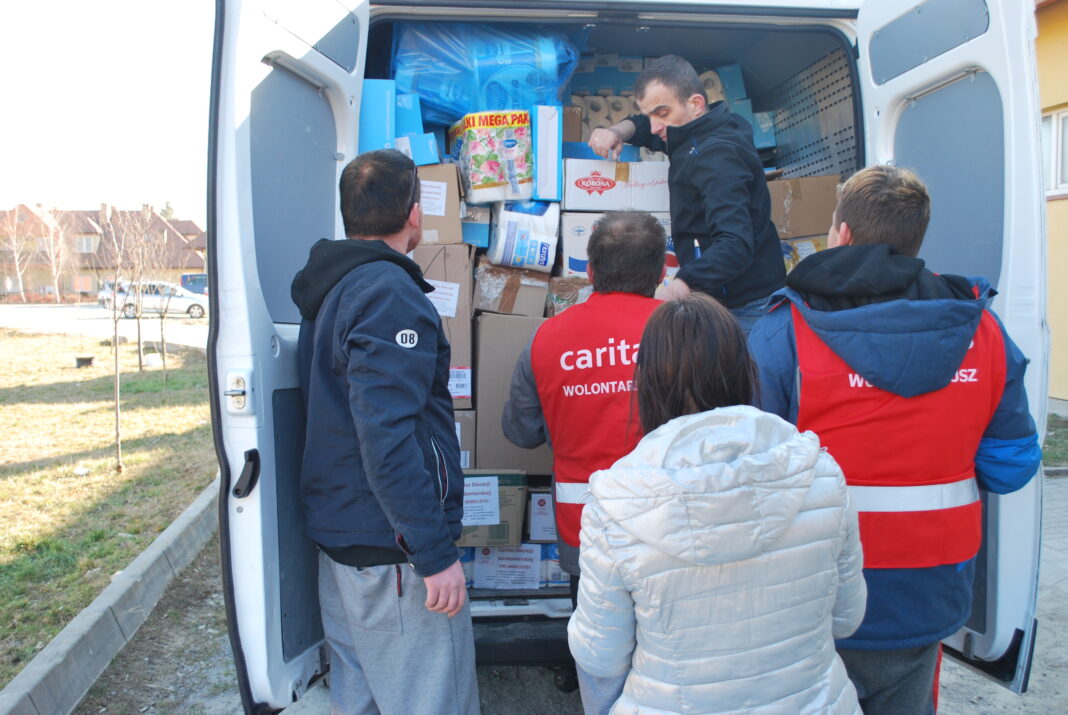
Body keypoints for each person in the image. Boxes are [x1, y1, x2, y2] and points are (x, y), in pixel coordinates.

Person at [747, 165, 1043, 714]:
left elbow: (749, 477)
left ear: (842, 234)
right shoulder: (983, 333)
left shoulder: (787, 331)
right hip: (929, 595)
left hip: (813, 597)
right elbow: (1012, 468)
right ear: (915, 242)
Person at [567, 293, 867, 714]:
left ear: (649, 382)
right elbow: (846, 618)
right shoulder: (821, 474)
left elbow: (600, 654)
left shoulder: (616, 503)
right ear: (744, 369)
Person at [290, 149, 479, 714]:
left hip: (347, 539)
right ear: (415, 214)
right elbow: (388, 435)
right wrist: (432, 552)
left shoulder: (333, 289)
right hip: (390, 549)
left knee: (363, 696)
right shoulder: (387, 293)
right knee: (431, 700)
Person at [501, 211, 665, 711]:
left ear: (590, 273)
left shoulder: (547, 338)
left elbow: (520, 431)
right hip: (670, 526)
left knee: (598, 639)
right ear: (661, 273)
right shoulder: (680, 331)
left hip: (585, 528)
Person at [588, 55, 784, 332]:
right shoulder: (697, 130)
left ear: (695, 104)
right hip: (719, 297)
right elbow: (646, 127)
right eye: (650, 114)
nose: (656, 126)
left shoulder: (718, 157)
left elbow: (734, 244)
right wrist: (617, 131)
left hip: (745, 306)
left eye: (663, 114)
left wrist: (678, 286)